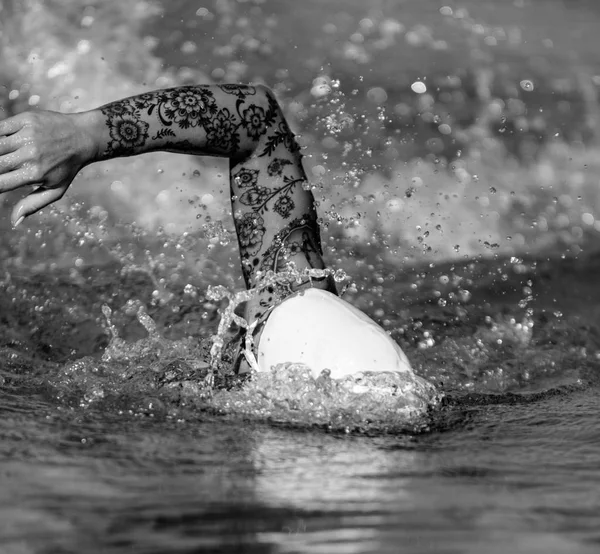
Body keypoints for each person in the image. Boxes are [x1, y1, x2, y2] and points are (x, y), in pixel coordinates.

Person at [0, 83, 411, 376]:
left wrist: (87, 134)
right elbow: (258, 118)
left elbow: (257, 118)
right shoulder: (293, 301)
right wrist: (84, 135)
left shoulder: (292, 324)